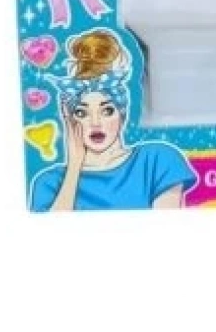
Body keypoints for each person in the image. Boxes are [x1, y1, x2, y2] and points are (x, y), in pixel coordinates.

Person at [30, 29, 197, 211]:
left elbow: (167, 226)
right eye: (81, 113)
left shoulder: (157, 160)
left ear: (122, 113)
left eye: (107, 110)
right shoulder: (49, 182)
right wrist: (74, 166)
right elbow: (51, 228)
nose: (95, 123)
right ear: (68, 118)